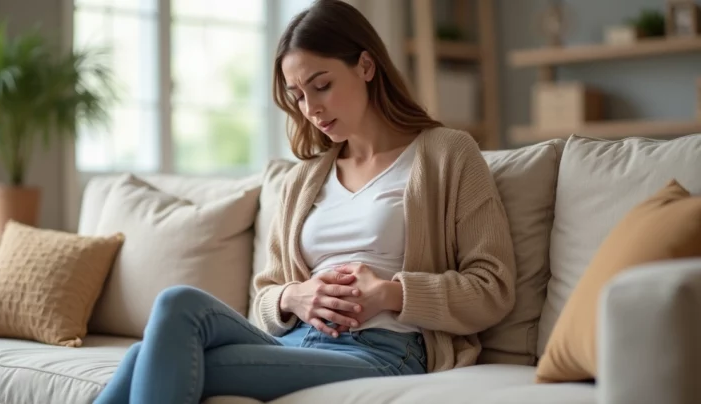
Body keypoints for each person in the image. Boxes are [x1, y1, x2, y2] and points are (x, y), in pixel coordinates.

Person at [93, 1, 516, 403]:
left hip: (383, 350)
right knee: (176, 303)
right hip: (294, 340)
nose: (311, 108)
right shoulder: (304, 179)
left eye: (322, 85)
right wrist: (293, 297)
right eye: (297, 95)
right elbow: (263, 297)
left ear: (366, 66)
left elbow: (492, 288)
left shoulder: (447, 154)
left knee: (145, 358)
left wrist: (390, 294)